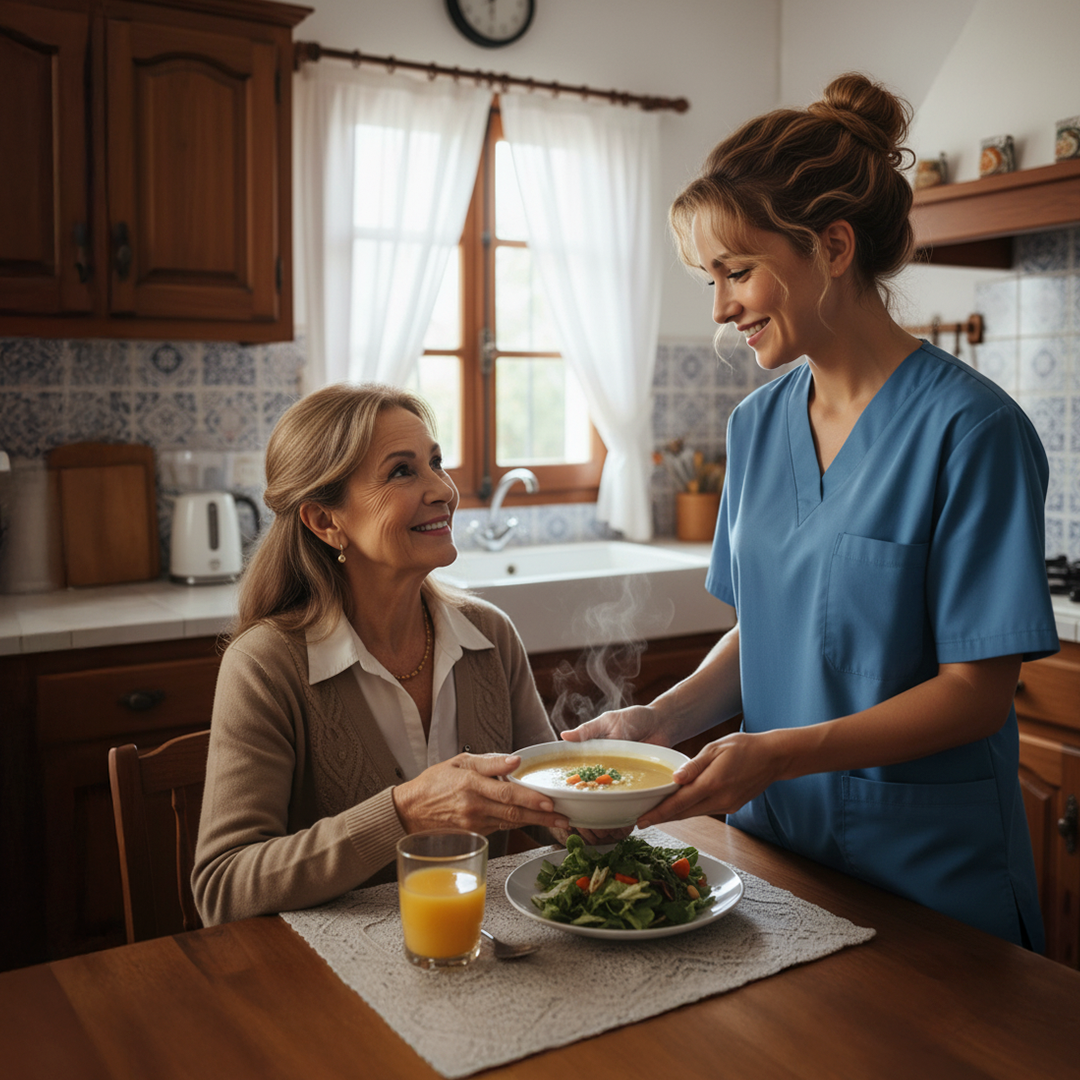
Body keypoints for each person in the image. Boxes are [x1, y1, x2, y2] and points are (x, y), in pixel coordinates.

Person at [564, 72, 1059, 951]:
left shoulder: (973, 431)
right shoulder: (756, 425)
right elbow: (772, 629)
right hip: (776, 851)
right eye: (708, 279)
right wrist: (661, 720)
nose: (720, 309)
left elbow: (976, 698)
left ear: (832, 247)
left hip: (928, 873)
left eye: (737, 271)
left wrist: (782, 752)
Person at [193, 383, 573, 926]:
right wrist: (402, 814)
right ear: (325, 521)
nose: (443, 489)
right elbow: (223, 888)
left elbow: (546, 804)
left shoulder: (490, 636)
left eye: (436, 463)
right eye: (402, 471)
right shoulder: (265, 666)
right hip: (328, 983)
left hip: (485, 951)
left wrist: (592, 808)